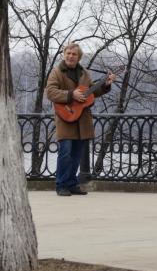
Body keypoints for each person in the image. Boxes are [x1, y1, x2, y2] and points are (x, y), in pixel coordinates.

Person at [46, 43, 116, 196]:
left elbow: (92, 92)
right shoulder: (56, 72)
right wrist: (71, 95)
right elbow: (51, 92)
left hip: (82, 119)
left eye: (74, 54)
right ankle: (61, 185)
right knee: (65, 153)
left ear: (79, 57)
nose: (71, 56)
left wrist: (105, 85)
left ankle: (71, 184)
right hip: (65, 117)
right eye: (68, 53)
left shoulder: (84, 73)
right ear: (64, 54)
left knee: (76, 153)